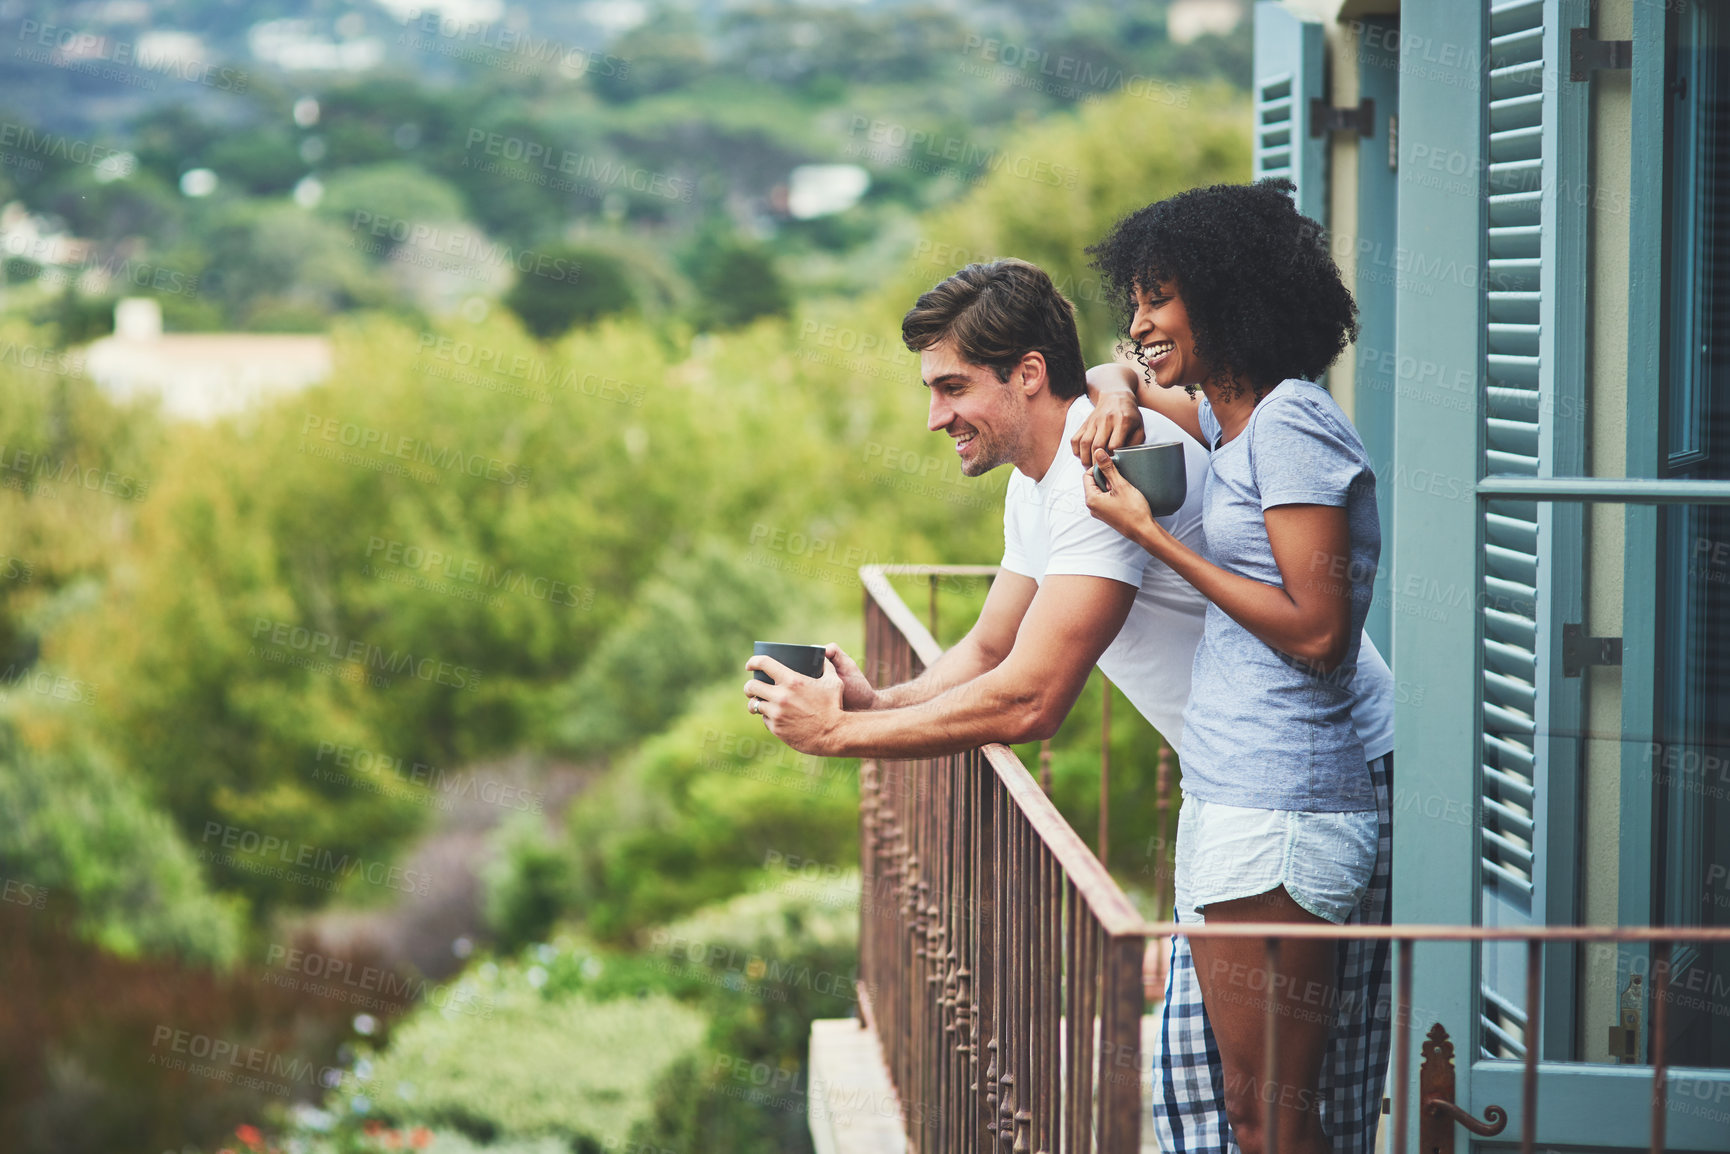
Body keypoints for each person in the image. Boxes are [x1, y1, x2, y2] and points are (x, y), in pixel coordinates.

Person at [1074, 178, 1394, 1154]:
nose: (1138, 321)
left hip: (1283, 807)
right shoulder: (1235, 416)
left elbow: (1316, 631)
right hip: (1242, 795)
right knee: (1247, 1109)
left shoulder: (1290, 423)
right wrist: (1120, 385)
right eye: (1132, 298)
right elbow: (1105, 368)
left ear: (1228, 295)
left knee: (1271, 1115)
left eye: (1158, 298)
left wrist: (1149, 536)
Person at [744, 257, 1212, 762]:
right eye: (933, 392)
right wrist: (873, 706)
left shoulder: (1097, 470)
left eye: (955, 387)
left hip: (1269, 785)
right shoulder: (1034, 479)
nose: (936, 418)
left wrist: (833, 733)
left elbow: (1031, 702)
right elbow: (988, 650)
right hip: (1223, 773)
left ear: (1030, 373)